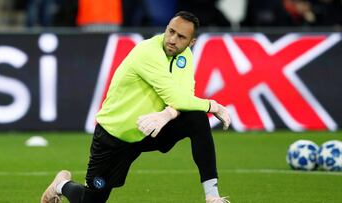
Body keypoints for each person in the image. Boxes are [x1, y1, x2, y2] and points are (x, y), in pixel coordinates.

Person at [41, 11, 231, 203]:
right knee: (91, 200)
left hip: (148, 128)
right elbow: (175, 96)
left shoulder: (185, 56)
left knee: (197, 118)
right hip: (115, 136)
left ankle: (212, 196)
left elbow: (185, 96)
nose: (173, 39)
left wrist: (168, 114)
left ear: (191, 42)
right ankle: (60, 184)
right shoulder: (148, 52)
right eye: (171, 31)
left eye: (181, 36)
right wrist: (213, 105)